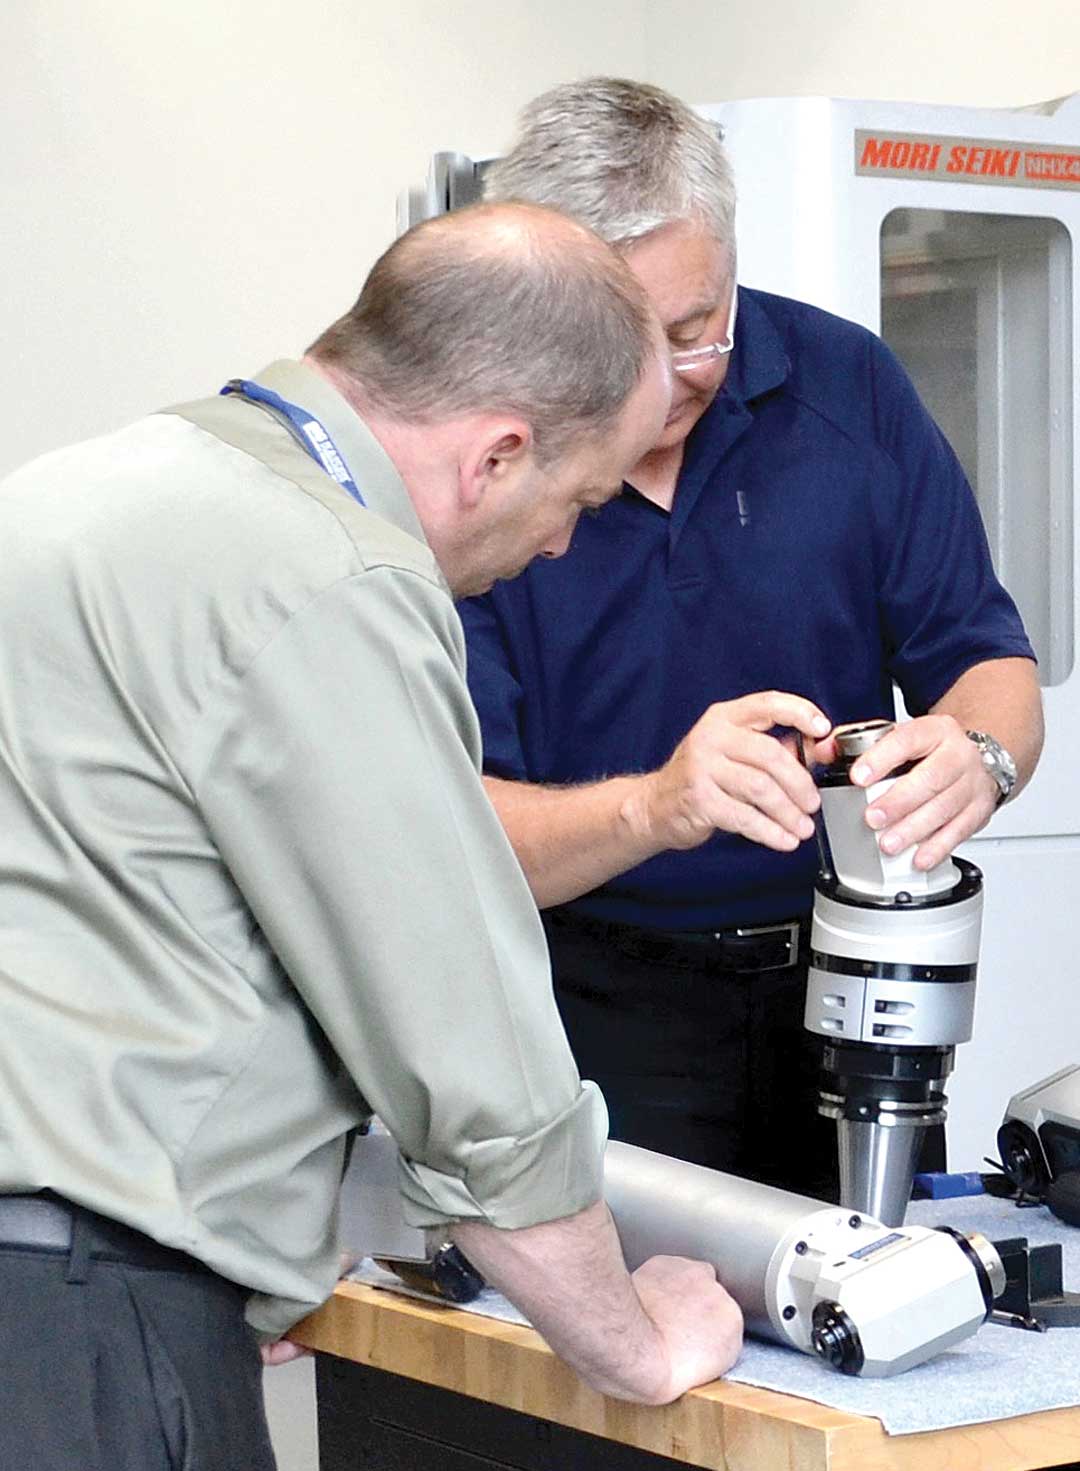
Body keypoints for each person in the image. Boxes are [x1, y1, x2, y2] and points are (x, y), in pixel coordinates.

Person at [0, 201, 743, 1471]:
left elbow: (126, 919)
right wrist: (636, 1343)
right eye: (579, 496)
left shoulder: (85, 491)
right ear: (497, 455)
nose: (562, 541)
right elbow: (470, 1070)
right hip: (80, 1332)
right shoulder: (329, 573)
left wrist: (262, 1246)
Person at [462, 79, 1045, 1197]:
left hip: (849, 990)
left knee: (879, 1289)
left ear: (731, 260)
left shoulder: (849, 386)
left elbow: (989, 663)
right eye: (618, 350)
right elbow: (456, 836)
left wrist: (978, 757)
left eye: (695, 333)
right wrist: (658, 806)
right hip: (581, 1006)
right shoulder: (476, 461)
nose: (662, 388)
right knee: (613, 1307)